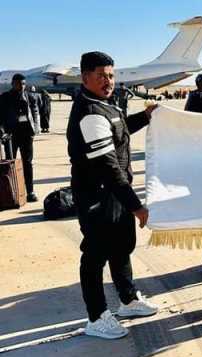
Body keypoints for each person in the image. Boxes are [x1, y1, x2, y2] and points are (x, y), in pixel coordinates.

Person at [66, 51, 158, 339]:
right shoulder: (90, 113)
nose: (108, 81)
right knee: (94, 256)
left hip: (114, 194)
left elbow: (121, 132)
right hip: (97, 196)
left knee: (121, 247)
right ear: (85, 77)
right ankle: (96, 317)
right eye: (101, 76)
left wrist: (145, 117)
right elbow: (108, 167)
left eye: (111, 75)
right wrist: (136, 206)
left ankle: (128, 300)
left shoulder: (106, 105)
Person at [0, 74, 40, 202]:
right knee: (10, 164)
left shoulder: (29, 96)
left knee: (27, 163)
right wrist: (2, 131)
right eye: (18, 84)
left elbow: (35, 112)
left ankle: (30, 191)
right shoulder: (5, 98)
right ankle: (11, 192)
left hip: (26, 134)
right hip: (11, 135)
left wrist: (35, 129)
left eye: (23, 84)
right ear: (12, 84)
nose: (21, 86)